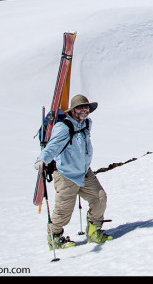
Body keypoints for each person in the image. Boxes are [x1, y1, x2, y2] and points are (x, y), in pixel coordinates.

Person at [34, 94, 112, 249]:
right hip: (66, 174)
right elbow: (53, 146)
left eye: (86, 107)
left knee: (100, 198)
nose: (84, 110)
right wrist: (42, 160)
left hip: (84, 172)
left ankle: (93, 230)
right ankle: (55, 238)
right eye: (80, 107)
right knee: (63, 211)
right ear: (72, 110)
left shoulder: (86, 123)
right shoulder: (63, 127)